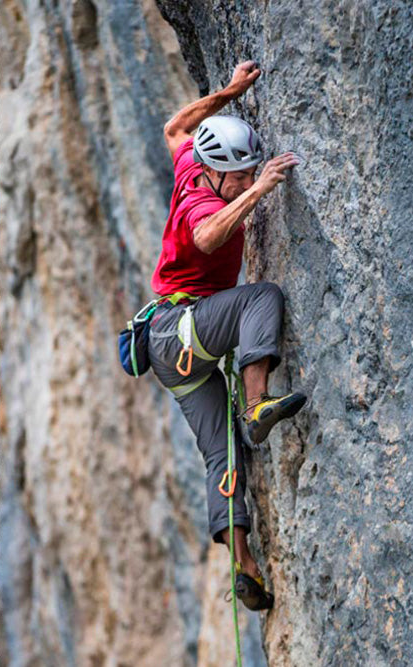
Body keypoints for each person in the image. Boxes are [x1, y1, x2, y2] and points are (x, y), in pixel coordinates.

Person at [148, 61, 307, 610]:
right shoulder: (203, 198)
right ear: (216, 173)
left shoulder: (195, 158)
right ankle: (258, 404)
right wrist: (258, 191)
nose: (242, 179)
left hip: (171, 350)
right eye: (236, 175)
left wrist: (233, 91)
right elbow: (209, 236)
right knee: (262, 298)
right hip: (179, 329)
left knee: (224, 455)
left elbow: (175, 126)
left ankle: (244, 564)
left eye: (248, 173)